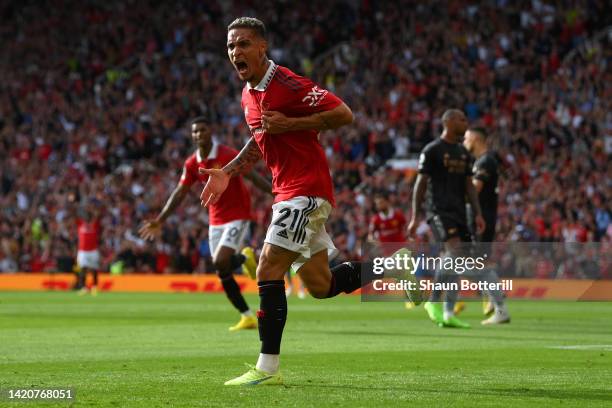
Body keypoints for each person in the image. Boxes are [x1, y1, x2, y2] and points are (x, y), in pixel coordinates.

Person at [200, 17, 418, 386]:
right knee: (320, 285)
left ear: (262, 48)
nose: (235, 51)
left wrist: (292, 124)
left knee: (268, 267)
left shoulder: (286, 83)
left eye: (243, 44)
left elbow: (343, 113)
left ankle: (267, 368)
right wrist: (229, 171)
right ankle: (394, 264)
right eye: (231, 46)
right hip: (286, 192)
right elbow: (260, 138)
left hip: (306, 191)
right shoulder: (247, 93)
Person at [139, 116, 272, 331]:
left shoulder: (226, 154)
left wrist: (276, 193)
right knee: (221, 269)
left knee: (220, 260)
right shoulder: (192, 163)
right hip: (215, 218)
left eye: (202, 130)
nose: (199, 134)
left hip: (238, 214)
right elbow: (180, 192)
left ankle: (245, 258)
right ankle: (247, 315)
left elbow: (253, 176)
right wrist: (160, 219)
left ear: (210, 132)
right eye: (195, 131)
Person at [407, 109, 485, 328]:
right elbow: (420, 184)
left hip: (460, 212)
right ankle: (433, 301)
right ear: (448, 122)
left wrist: (477, 213)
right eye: (461, 120)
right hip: (439, 211)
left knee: (455, 260)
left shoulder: (463, 153)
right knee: (454, 251)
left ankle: (449, 313)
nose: (465, 123)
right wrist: (415, 217)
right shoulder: (432, 150)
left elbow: (469, 186)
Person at [462, 127, 510, 325]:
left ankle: (497, 299)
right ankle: (496, 300)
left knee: (466, 264)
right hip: (479, 220)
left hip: (481, 221)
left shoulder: (485, 161)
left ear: (474, 138)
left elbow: (475, 190)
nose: (464, 141)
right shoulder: (481, 161)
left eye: (466, 138)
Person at [76, 206, 102, 296]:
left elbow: (98, 215)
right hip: (82, 251)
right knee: (83, 269)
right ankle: (84, 288)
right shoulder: (80, 224)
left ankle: (94, 287)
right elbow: (75, 214)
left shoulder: (94, 224)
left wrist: (93, 209)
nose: (86, 218)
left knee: (94, 269)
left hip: (93, 250)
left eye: (88, 216)